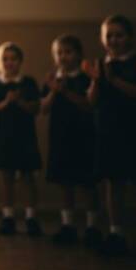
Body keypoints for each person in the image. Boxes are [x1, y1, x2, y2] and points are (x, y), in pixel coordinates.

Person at [84, 14, 136, 261]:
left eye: (119, 35)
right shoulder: (100, 64)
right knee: (113, 183)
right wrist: (96, 80)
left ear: (129, 37)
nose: (114, 40)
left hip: (135, 129)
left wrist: (113, 79)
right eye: (109, 36)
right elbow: (92, 101)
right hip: (108, 131)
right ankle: (117, 233)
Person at [40, 35, 102, 247]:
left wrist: (65, 91)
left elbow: (88, 105)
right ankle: (68, 226)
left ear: (78, 54)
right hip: (60, 136)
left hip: (83, 136)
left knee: (87, 184)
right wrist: (54, 92)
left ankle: (92, 227)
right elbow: (44, 108)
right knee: (64, 183)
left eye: (68, 52)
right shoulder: (52, 79)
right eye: (59, 53)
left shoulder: (85, 77)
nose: (63, 57)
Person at [0, 42, 43, 236]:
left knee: (28, 178)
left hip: (25, 137)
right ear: (0, 62)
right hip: (4, 137)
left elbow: (36, 109)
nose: (9, 63)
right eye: (5, 59)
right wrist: (6, 102)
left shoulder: (28, 83)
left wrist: (19, 101)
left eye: (13, 59)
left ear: (20, 61)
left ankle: (31, 217)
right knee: (7, 178)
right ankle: (8, 217)